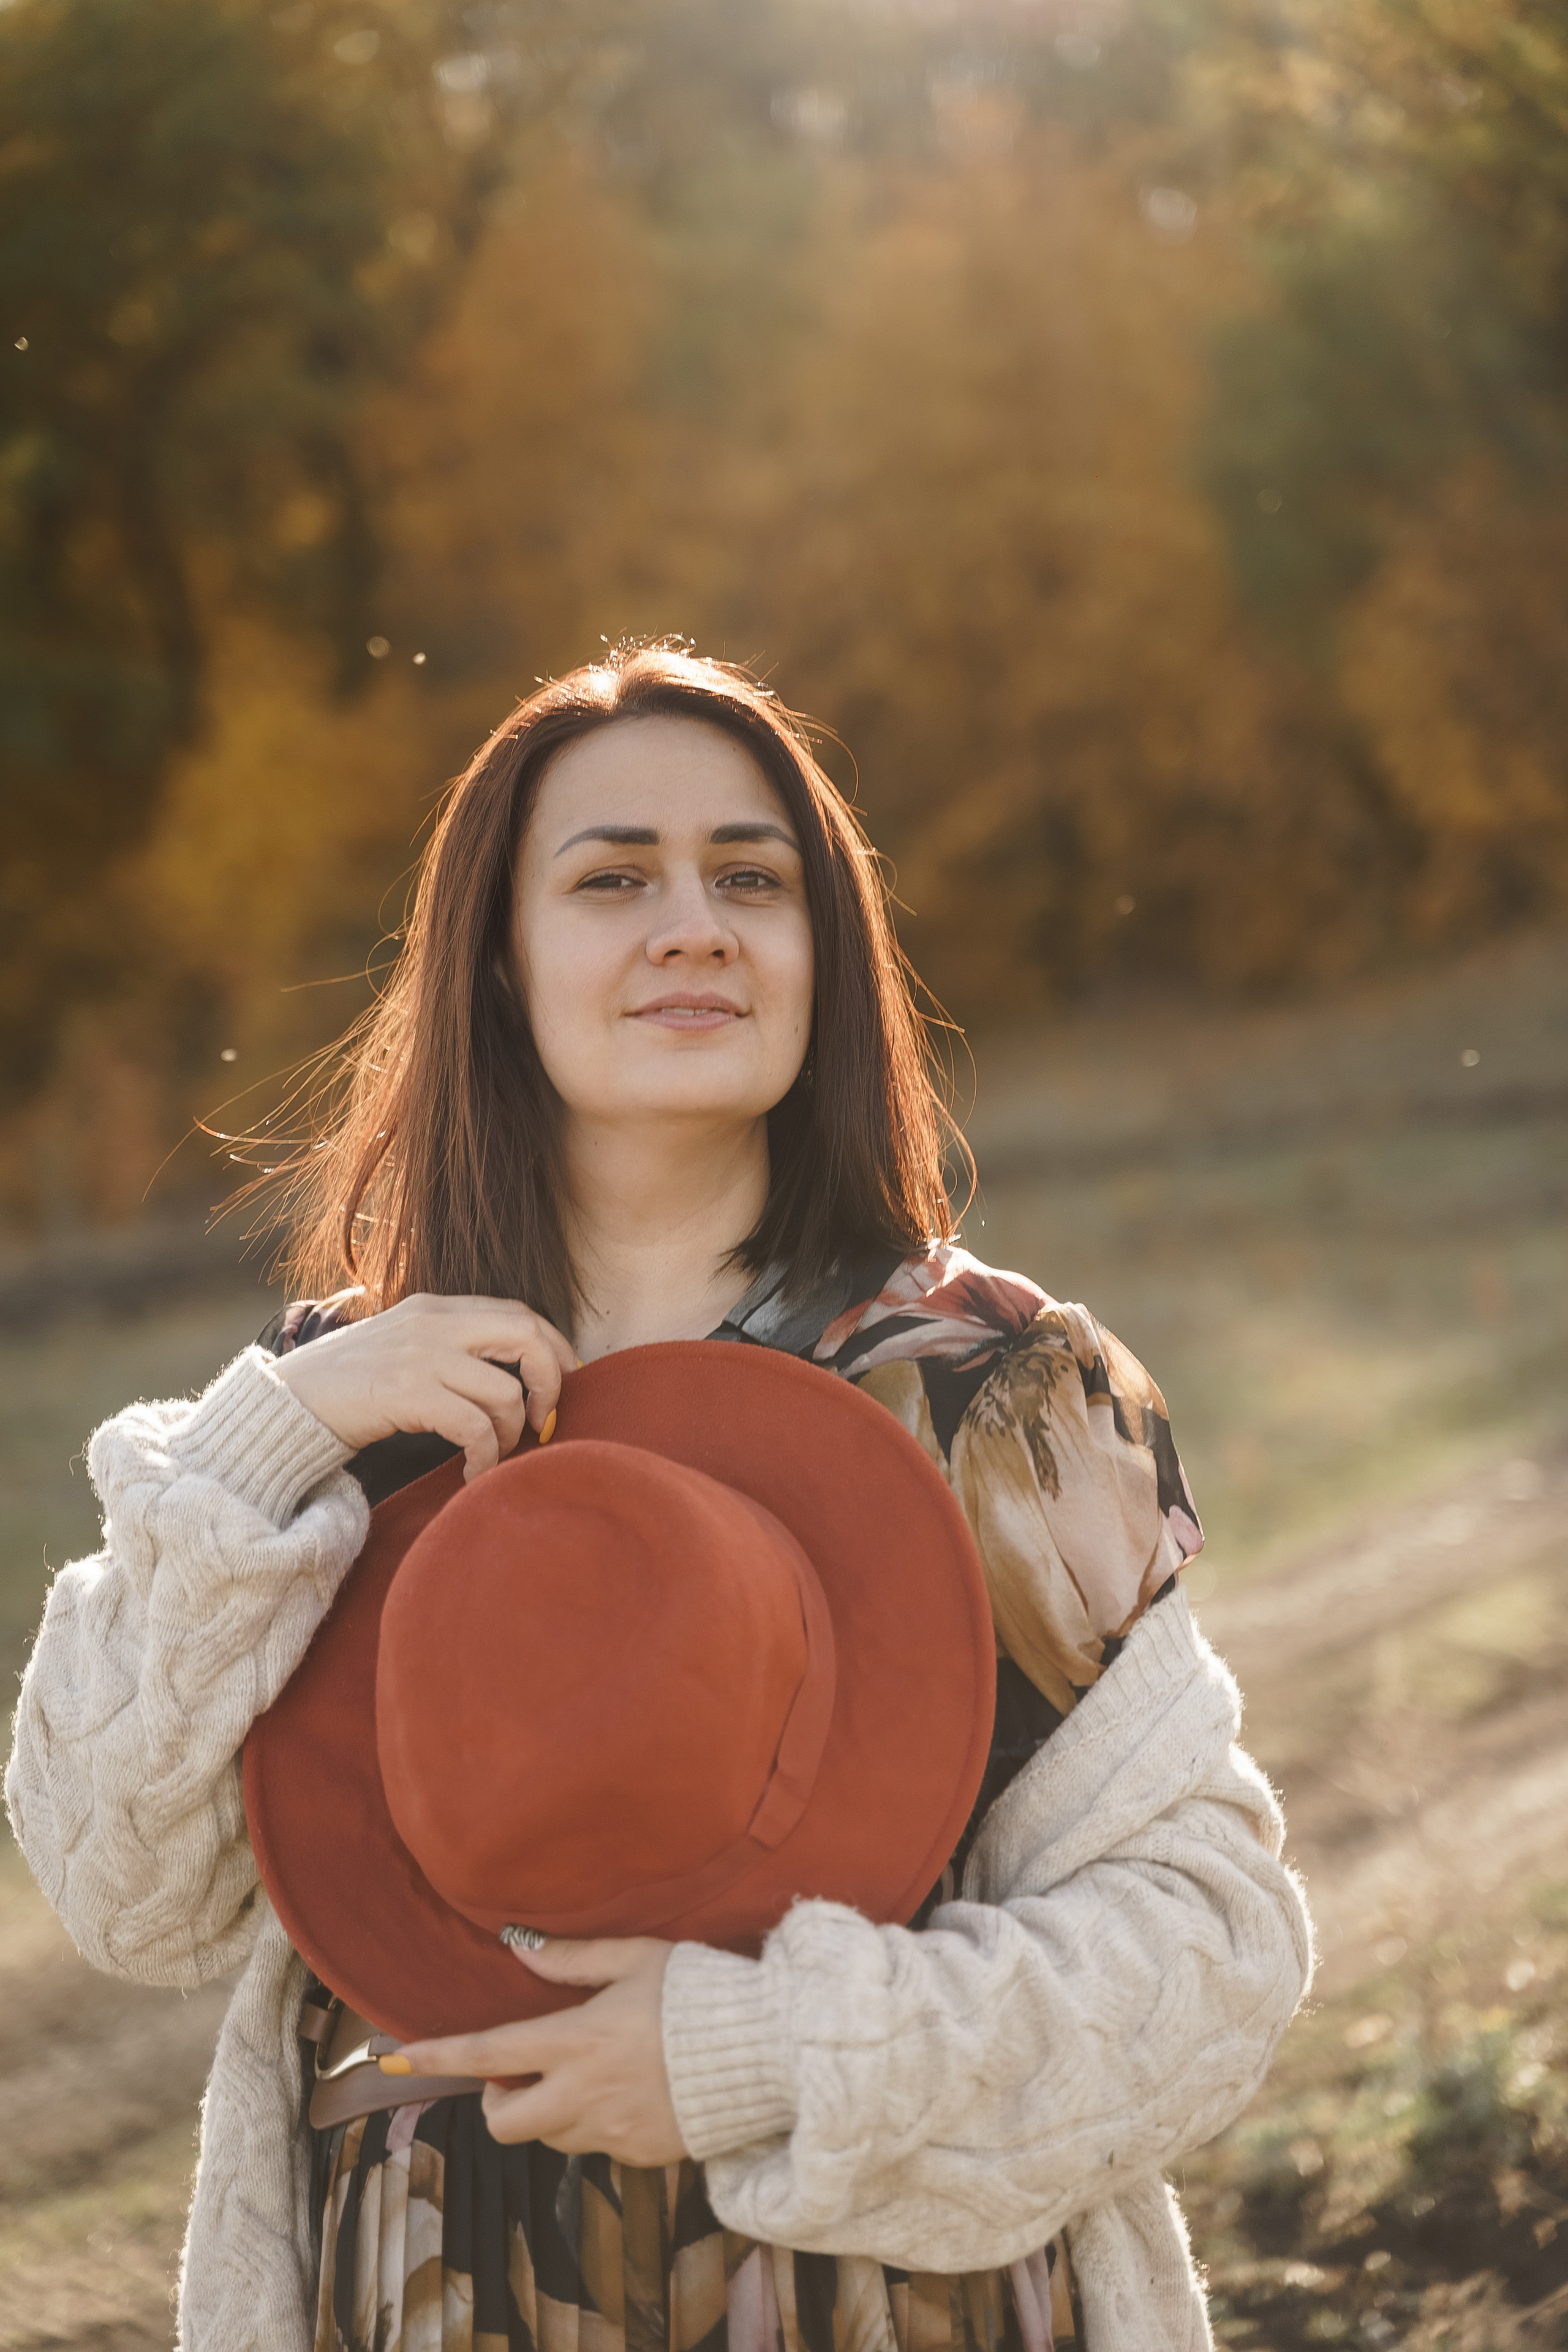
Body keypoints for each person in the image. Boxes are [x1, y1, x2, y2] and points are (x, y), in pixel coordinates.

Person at [6, 644, 1312, 2352]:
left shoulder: (988, 1396)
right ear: (499, 959)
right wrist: (270, 1442)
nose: (693, 926)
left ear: (821, 951)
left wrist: (750, 2056)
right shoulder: (346, 1411)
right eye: (613, 878)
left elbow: (1211, 1953)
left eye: (751, 880)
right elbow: (122, 1891)